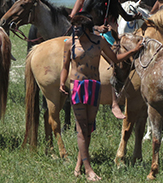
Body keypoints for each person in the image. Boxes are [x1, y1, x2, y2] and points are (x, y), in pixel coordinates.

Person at [59, 13, 142, 181]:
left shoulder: (99, 42)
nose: (74, 30)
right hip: (78, 87)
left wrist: (134, 51)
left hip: (94, 86)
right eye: (74, 26)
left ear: (86, 28)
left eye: (78, 26)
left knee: (89, 128)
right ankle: (88, 169)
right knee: (81, 129)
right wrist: (62, 82)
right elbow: (65, 66)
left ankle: (79, 164)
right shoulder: (69, 44)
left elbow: (114, 58)